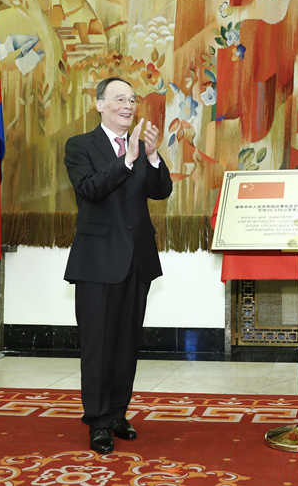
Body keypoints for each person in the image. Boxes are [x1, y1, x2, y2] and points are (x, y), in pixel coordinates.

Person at [64, 76, 173, 454]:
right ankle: (97, 421)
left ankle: (116, 414)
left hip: (137, 260)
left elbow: (161, 190)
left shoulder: (141, 147)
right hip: (97, 262)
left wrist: (153, 156)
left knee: (127, 343)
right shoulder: (80, 145)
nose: (128, 106)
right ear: (100, 104)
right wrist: (127, 160)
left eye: (132, 99)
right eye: (120, 99)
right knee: (98, 345)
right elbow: (90, 189)